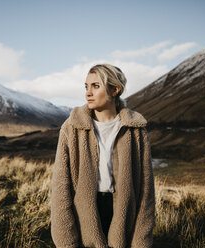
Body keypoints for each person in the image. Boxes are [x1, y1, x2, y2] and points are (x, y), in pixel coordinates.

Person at [51, 64, 155, 248]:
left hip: (122, 215)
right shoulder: (71, 127)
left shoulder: (135, 130)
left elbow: (146, 191)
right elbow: (61, 188)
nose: (88, 93)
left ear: (115, 90)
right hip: (85, 218)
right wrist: (66, 241)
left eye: (95, 86)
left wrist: (141, 241)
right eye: (86, 86)